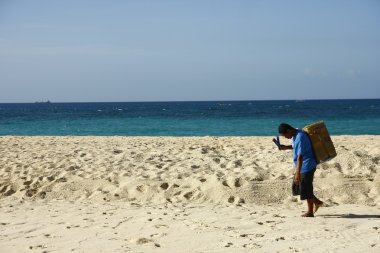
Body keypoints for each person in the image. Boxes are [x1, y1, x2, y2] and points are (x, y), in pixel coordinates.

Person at [278, 123, 323, 217]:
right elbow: (296, 147)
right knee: (298, 187)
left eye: (285, 135)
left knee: (306, 188)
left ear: (288, 130)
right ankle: (317, 202)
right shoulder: (296, 134)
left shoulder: (300, 137)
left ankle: (310, 212)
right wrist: (285, 147)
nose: (285, 137)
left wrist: (298, 173)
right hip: (302, 166)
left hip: (307, 165)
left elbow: (300, 156)